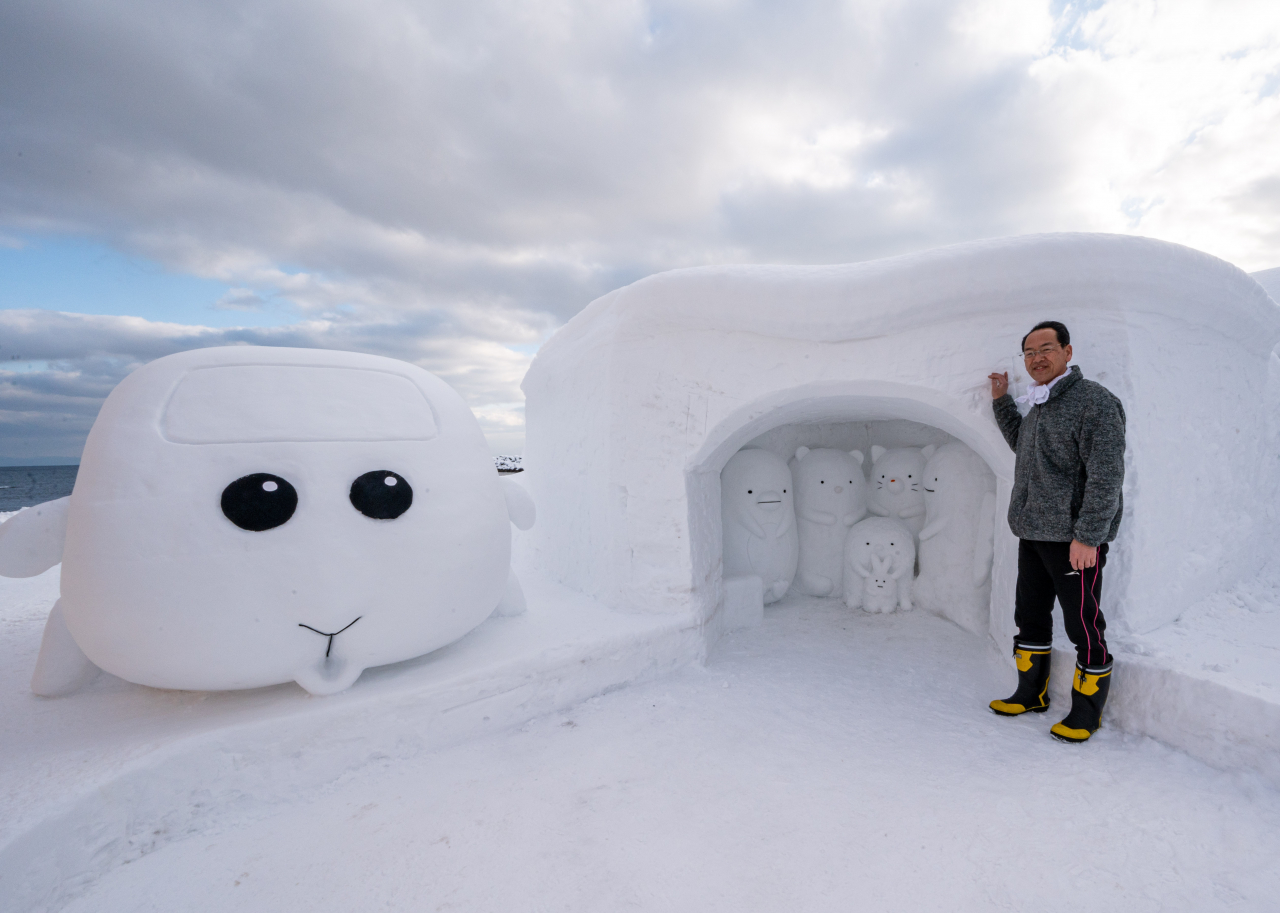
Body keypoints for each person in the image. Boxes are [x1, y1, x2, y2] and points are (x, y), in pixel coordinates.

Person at [986, 321, 1126, 743]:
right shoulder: (1041, 403)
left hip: (1073, 541)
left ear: (1068, 351)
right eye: (1029, 353)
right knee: (1029, 616)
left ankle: (1086, 713)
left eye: (1046, 348)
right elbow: (1026, 447)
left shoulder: (1094, 403)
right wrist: (1002, 404)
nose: (1037, 359)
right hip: (1032, 533)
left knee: (1084, 626)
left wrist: (1089, 536)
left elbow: (1106, 476)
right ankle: (1031, 694)